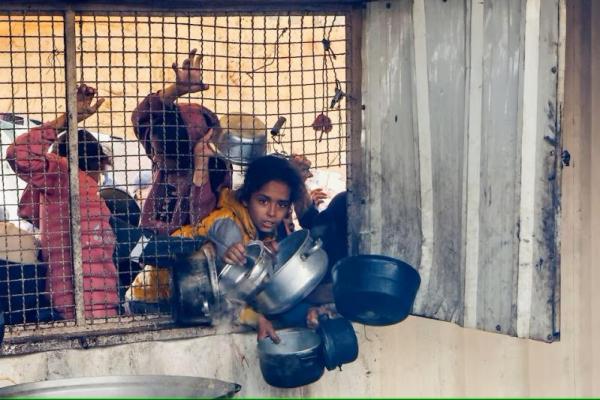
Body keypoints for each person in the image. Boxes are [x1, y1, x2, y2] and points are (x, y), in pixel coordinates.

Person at [6, 84, 119, 319]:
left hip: (97, 304)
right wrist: (66, 120)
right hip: (80, 307)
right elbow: (18, 154)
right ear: (98, 162)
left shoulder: (64, 191)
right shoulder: (63, 174)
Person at [132, 48, 231, 236]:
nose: (158, 159)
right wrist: (175, 91)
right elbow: (140, 118)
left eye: (166, 156)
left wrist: (201, 166)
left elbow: (201, 224)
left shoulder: (217, 170)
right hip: (150, 249)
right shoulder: (161, 158)